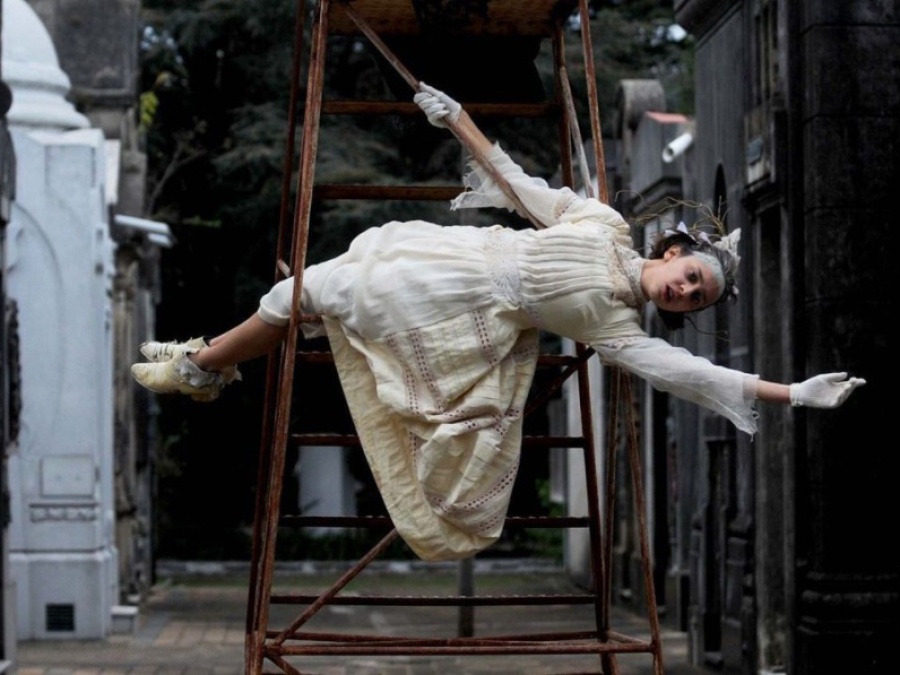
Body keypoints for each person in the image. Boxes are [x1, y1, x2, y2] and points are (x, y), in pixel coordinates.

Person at [131, 84, 865, 561]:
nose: (684, 292)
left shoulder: (619, 328)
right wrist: (458, 118)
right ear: (674, 251)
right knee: (307, 292)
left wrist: (793, 394)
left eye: (695, 300)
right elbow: (520, 187)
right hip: (452, 256)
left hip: (455, 312)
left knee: (311, 293)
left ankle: (202, 365)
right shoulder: (602, 223)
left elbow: (694, 375)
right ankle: (209, 361)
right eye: (692, 277)